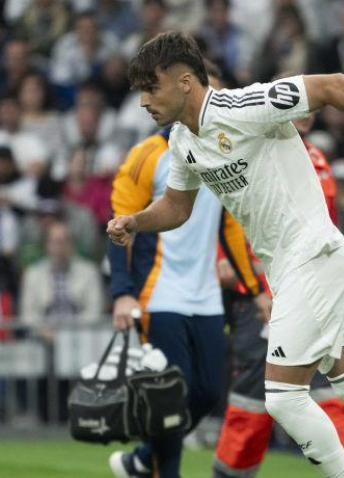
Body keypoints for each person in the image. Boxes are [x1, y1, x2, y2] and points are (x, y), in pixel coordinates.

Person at [109, 31, 344, 478]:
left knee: (284, 399)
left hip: (314, 256)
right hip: (290, 271)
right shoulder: (183, 142)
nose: (144, 101)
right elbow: (176, 207)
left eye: (151, 88)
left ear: (185, 81)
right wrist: (135, 222)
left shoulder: (244, 106)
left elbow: (333, 85)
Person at [107, 63, 263, 478]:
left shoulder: (222, 149)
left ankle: (144, 459)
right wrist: (122, 293)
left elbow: (231, 228)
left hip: (206, 294)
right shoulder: (147, 155)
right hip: (159, 292)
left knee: (209, 391)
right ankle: (160, 468)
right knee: (170, 393)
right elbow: (118, 227)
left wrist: (254, 290)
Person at [213, 113, 344, 478]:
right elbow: (228, 233)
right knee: (255, 399)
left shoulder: (318, 160)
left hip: (313, 294)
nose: (307, 112)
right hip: (262, 300)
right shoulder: (247, 154)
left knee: (333, 387)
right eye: (297, 104)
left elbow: (329, 232)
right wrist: (251, 286)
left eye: (311, 105)